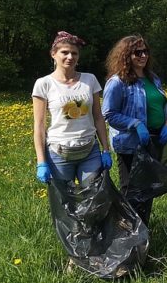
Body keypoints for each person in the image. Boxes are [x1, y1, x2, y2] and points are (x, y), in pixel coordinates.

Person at [102, 35, 167, 225]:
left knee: (148, 188)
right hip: (131, 144)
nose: (143, 56)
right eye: (137, 52)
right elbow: (108, 113)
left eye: (145, 52)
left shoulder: (153, 79)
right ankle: (128, 237)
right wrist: (136, 124)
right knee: (131, 191)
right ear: (126, 55)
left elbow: (162, 107)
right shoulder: (118, 82)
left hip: (154, 140)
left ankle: (143, 230)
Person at [33, 31, 112, 185]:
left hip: (90, 151)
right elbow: (39, 125)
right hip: (59, 154)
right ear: (53, 54)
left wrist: (106, 150)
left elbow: (98, 117)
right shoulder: (44, 84)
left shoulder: (90, 80)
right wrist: (41, 161)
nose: (70, 57)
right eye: (65, 52)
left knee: (93, 200)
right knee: (64, 204)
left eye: (74, 53)